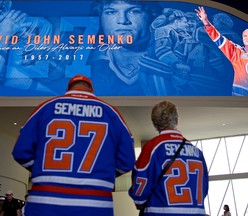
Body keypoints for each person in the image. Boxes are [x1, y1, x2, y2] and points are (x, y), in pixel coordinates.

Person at [12, 74, 136, 216]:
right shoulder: (111, 113)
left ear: (67, 89)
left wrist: (42, 170)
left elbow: (20, 151)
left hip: (45, 202)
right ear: (92, 89)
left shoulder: (45, 108)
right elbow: (127, 160)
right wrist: (104, 173)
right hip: (94, 204)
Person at [128, 100, 209, 215]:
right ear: (177, 120)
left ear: (155, 123)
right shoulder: (197, 153)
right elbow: (204, 190)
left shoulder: (152, 148)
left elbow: (139, 193)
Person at [87, 0, 162, 96]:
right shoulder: (89, 63)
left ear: (153, 17)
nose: (122, 20)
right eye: (111, 12)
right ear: (99, 20)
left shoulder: (172, 62)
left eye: (134, 11)